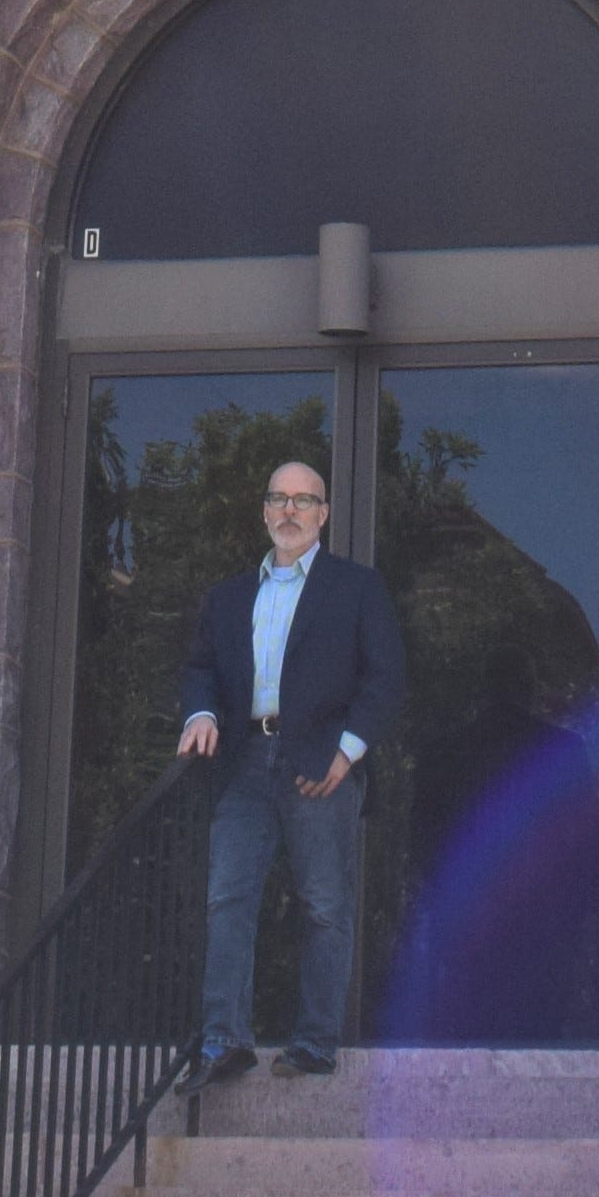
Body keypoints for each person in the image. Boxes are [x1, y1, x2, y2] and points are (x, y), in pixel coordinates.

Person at [174, 451, 409, 1075]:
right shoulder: (229, 598)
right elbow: (199, 668)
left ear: (323, 514)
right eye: (279, 498)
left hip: (319, 765)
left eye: (303, 500)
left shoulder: (356, 587)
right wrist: (200, 716)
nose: (290, 511)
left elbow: (386, 678)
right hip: (246, 760)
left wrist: (347, 751)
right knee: (228, 898)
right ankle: (224, 1040)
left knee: (324, 905)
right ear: (264, 512)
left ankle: (315, 1042)